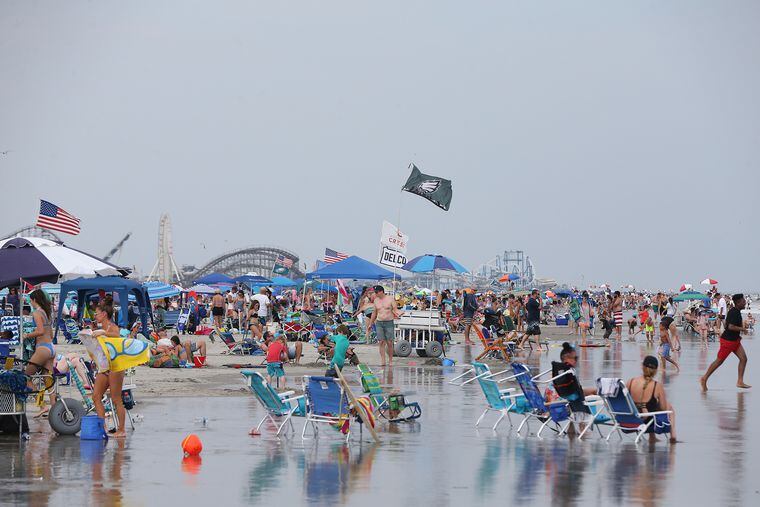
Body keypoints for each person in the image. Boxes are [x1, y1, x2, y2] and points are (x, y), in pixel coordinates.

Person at [90, 297, 128, 438]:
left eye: (97, 313)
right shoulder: (100, 329)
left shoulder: (112, 327)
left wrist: (103, 333)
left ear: (104, 314)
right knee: (96, 396)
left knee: (116, 398)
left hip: (115, 366)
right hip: (104, 366)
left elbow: (117, 336)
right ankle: (103, 427)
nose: (95, 316)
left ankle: (122, 429)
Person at [701, 293, 751, 392]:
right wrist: (743, 329)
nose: (745, 302)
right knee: (719, 361)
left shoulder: (736, 311)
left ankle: (740, 381)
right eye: (743, 301)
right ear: (738, 302)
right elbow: (730, 327)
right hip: (728, 341)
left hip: (735, 340)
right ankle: (704, 378)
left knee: (743, 359)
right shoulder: (734, 312)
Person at [627, 356, 678, 443]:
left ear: (642, 366)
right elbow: (664, 408)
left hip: (631, 419)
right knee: (669, 408)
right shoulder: (657, 386)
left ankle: (652, 437)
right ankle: (673, 435)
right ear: (655, 370)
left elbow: (627, 401)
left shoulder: (631, 381)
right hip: (647, 421)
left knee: (647, 405)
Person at [24, 289, 56, 416]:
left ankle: (42, 406)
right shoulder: (47, 313)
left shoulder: (36, 313)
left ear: (34, 300)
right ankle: (54, 409)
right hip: (51, 348)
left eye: (30, 301)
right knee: (48, 380)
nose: (30, 303)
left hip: (42, 348)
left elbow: (40, 331)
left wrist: (27, 335)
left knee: (25, 377)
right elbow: (51, 333)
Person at [367, 286, 401, 367]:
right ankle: (383, 360)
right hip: (379, 322)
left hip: (389, 322)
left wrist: (399, 313)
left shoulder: (390, 299)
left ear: (381, 291)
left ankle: (390, 360)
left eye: (377, 292)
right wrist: (370, 324)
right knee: (381, 342)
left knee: (389, 342)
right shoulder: (376, 300)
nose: (375, 294)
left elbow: (395, 309)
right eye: (375, 292)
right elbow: (374, 313)